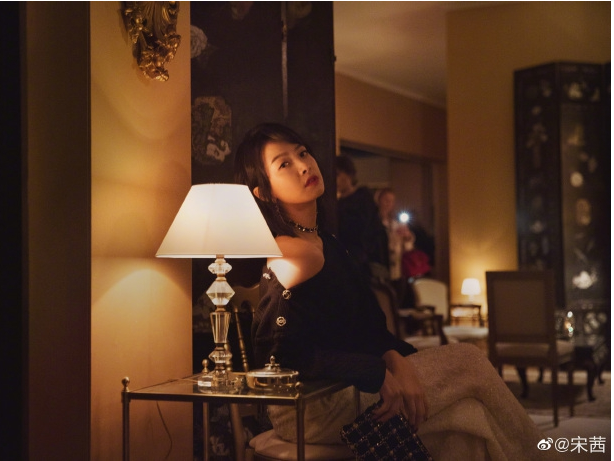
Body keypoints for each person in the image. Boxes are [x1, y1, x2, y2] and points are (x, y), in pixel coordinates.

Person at [233, 122, 554, 460]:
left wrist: (395, 360)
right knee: (469, 360)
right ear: (265, 193)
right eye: (284, 163)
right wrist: (373, 373)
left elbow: (370, 327)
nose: (303, 165)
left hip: (345, 388)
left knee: (468, 420)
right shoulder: (293, 253)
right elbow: (278, 355)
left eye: (302, 153)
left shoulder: (328, 244)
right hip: (309, 405)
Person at [334, 155, 389, 280]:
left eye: (337, 174)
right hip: (347, 260)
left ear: (348, 174)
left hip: (363, 262)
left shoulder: (363, 198)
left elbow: (369, 231)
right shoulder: (338, 203)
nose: (335, 180)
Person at [377, 187, 416, 306]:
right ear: (379, 201)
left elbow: (408, 248)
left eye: (391, 201)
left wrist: (407, 236)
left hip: (397, 272)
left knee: (397, 302)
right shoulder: (374, 224)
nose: (389, 204)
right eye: (386, 200)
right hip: (380, 270)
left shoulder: (396, 225)